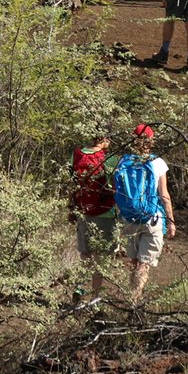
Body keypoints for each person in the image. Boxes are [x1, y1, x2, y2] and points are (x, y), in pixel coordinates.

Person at [113, 123, 175, 305]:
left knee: (134, 261)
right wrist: (171, 221)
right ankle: (134, 300)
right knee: (144, 263)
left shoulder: (123, 161)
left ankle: (131, 295)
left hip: (129, 217)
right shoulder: (157, 163)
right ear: (151, 140)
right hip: (152, 218)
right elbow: (164, 195)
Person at [69, 131, 120, 307]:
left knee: (85, 254)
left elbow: (72, 184)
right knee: (101, 256)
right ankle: (95, 298)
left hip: (84, 211)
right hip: (105, 213)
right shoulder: (110, 159)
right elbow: (116, 187)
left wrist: (72, 208)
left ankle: (79, 288)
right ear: (105, 139)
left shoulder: (77, 154)